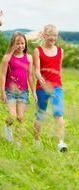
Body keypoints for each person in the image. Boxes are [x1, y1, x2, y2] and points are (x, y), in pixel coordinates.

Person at [33, 24, 67, 152]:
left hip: (57, 87)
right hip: (41, 87)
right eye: (50, 35)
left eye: (55, 35)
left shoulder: (60, 51)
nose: (53, 38)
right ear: (45, 35)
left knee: (58, 114)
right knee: (40, 115)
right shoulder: (38, 51)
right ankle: (36, 139)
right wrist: (40, 78)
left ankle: (60, 143)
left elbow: (59, 69)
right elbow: (36, 70)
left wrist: (59, 83)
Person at [0, 32, 37, 143]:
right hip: (9, 91)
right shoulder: (7, 57)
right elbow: (2, 75)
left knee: (20, 118)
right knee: (12, 115)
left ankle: (17, 142)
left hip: (23, 92)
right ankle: (7, 127)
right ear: (12, 44)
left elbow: (30, 76)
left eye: (22, 43)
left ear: (25, 44)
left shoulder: (29, 58)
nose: (20, 46)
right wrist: (2, 92)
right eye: (17, 43)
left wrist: (33, 91)